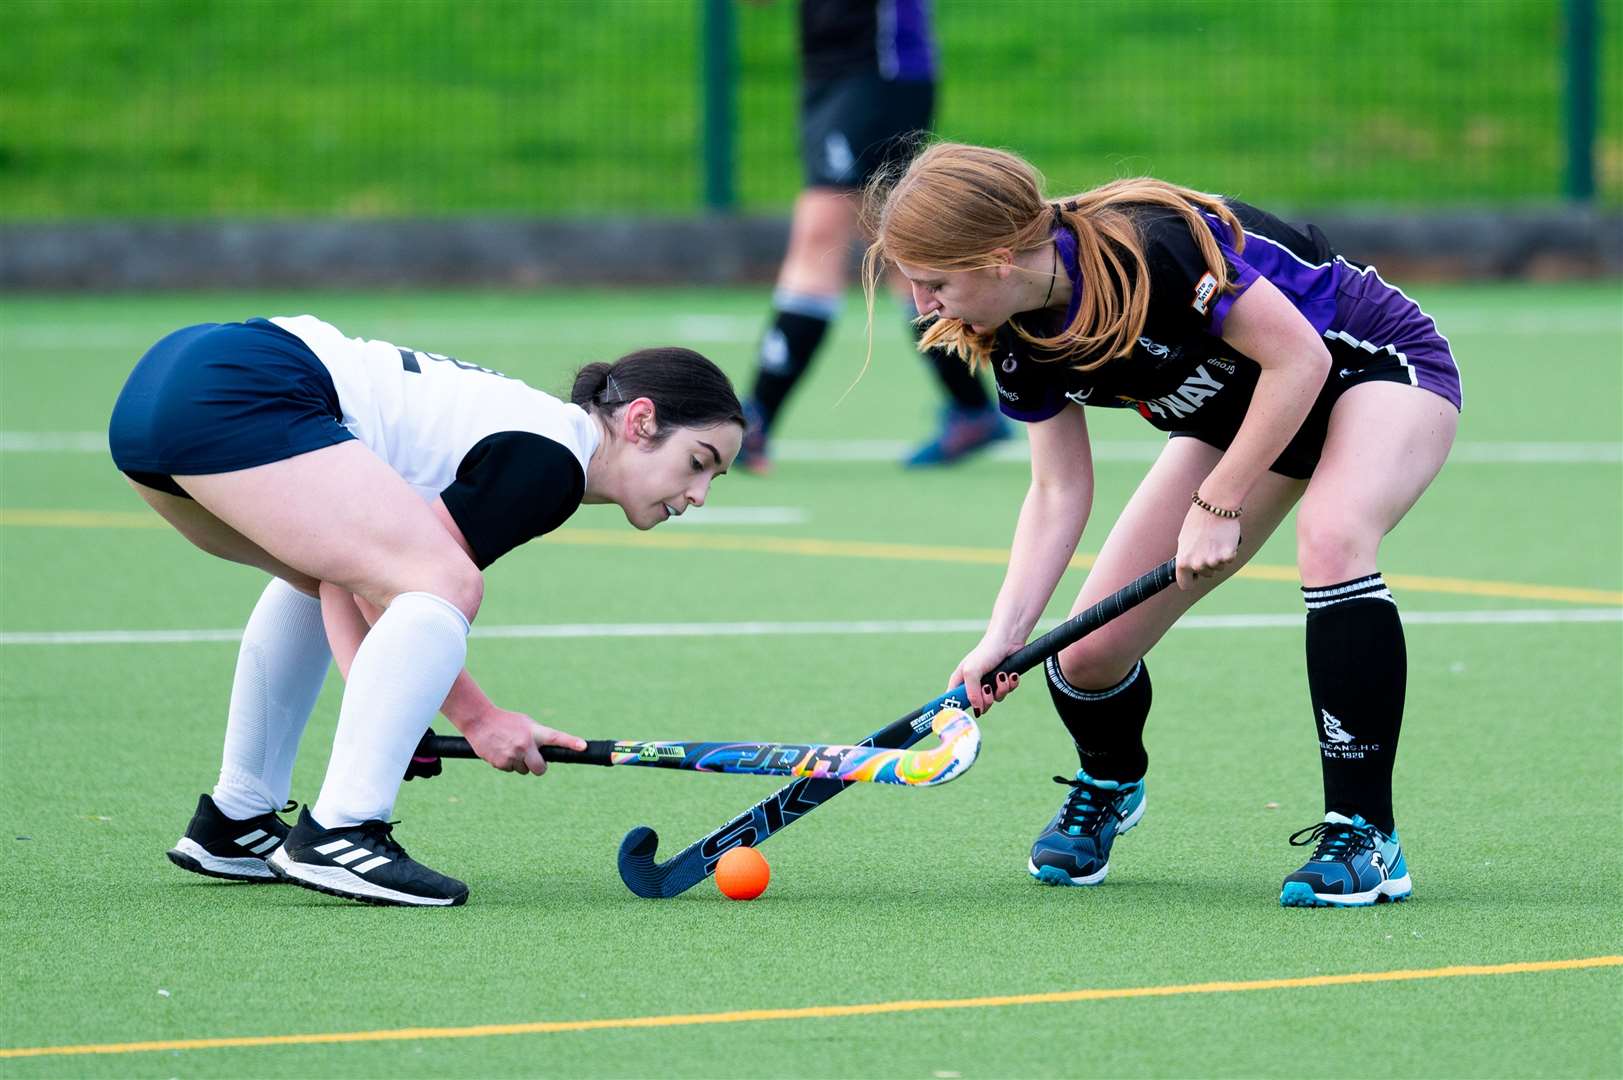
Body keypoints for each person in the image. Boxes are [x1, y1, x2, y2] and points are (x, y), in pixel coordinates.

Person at [862, 142, 1461, 907]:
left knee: (1333, 536)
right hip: (1239, 413)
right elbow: (1056, 488)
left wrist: (1219, 503)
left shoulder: (1150, 249)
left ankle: (1365, 834)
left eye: (933, 282)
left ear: (1000, 257)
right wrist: (1001, 635)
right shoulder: (1016, 334)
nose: (922, 305)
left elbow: (1299, 361)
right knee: (1086, 656)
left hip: (1365, 367)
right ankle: (1110, 781)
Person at [109, 315, 744, 906]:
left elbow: (342, 580)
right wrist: (481, 719)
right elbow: (404, 590)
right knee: (446, 582)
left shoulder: (536, 436)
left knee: (321, 574)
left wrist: (395, 711)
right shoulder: (551, 462)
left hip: (164, 391)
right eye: (698, 463)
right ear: (639, 421)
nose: (699, 494)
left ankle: (237, 818)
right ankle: (342, 830)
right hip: (239, 385)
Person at [737, 0, 1008, 473]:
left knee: (823, 234)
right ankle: (972, 408)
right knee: (898, 251)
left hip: (877, 63)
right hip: (828, 65)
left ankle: (755, 418)